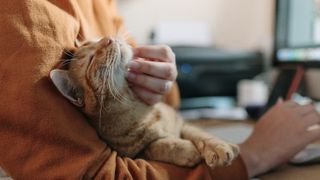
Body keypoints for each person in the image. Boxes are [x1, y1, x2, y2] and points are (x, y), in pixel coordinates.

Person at [0, 0, 320, 179]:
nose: (109, 41)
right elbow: (96, 175)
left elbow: (164, 101)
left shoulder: (100, 3)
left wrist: (159, 82)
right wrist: (252, 156)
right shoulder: (21, 15)